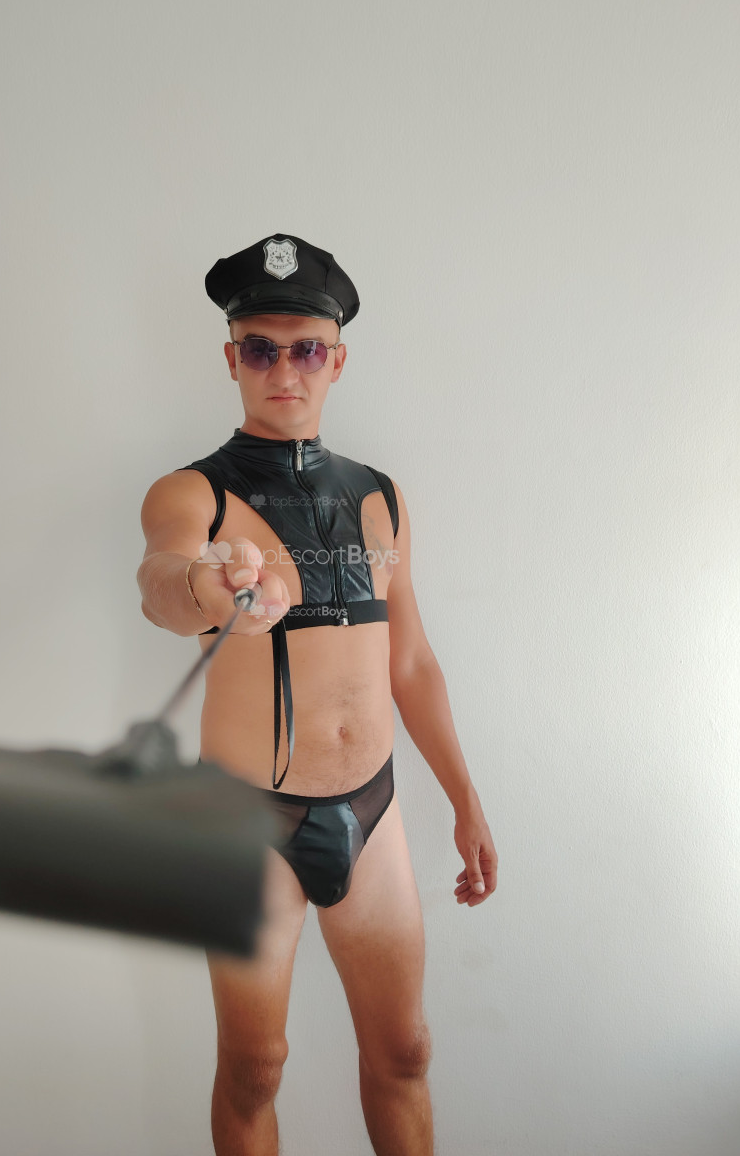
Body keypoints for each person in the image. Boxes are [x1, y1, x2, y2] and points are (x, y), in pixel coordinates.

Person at [136, 232, 498, 1156]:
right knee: (254, 1067)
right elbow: (161, 582)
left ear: (337, 361)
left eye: (305, 351)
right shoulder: (196, 494)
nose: (283, 371)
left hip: (372, 813)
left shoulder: (382, 498)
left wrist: (464, 798)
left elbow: (411, 663)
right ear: (231, 359)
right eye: (261, 349)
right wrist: (210, 587)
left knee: (406, 1052)